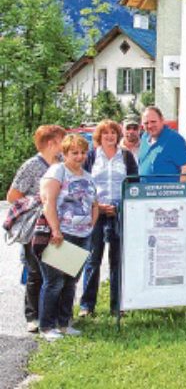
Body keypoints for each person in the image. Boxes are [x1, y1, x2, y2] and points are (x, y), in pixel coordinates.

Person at [38, 134, 98, 341]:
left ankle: (64, 323)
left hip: (83, 235)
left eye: (83, 152)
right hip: (62, 235)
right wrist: (56, 230)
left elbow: (94, 202)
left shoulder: (88, 176)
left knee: (71, 282)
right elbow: (48, 201)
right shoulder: (57, 171)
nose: (80, 156)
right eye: (74, 153)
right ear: (64, 154)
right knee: (54, 282)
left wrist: (92, 221)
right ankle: (46, 326)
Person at [6, 124, 66, 333]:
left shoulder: (61, 164)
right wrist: (39, 201)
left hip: (58, 225)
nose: (65, 145)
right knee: (35, 272)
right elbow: (12, 197)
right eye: (62, 140)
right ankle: (33, 316)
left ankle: (55, 315)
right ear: (51, 143)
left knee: (59, 271)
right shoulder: (32, 165)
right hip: (35, 227)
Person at [79, 120, 138, 317]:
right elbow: (83, 184)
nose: (110, 136)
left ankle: (117, 306)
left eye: (113, 133)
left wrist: (120, 207)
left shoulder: (126, 156)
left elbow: (133, 184)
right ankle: (87, 305)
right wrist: (96, 205)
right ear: (99, 136)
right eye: (106, 133)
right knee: (93, 259)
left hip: (118, 213)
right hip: (96, 213)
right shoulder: (91, 156)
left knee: (117, 260)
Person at [138, 106, 186, 182]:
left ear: (162, 120)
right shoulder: (144, 137)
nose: (150, 126)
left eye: (153, 122)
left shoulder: (174, 139)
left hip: (168, 191)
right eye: (146, 123)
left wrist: (181, 191)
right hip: (145, 191)